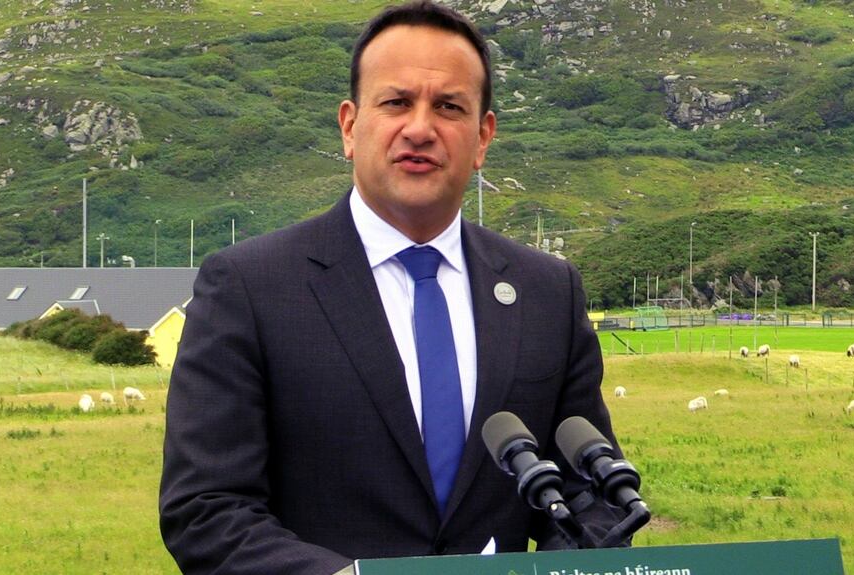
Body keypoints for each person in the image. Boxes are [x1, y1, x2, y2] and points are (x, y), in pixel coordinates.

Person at [159, 2, 625, 574]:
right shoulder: (249, 287)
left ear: (482, 138)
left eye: (449, 107)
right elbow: (205, 510)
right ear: (351, 126)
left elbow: (591, 495)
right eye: (397, 102)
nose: (421, 128)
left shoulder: (548, 290)